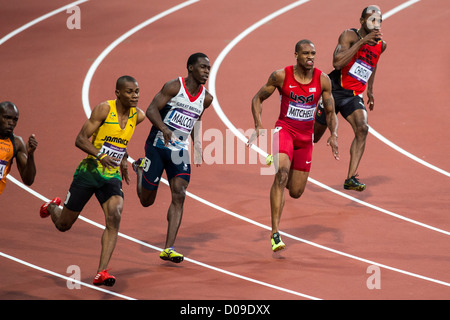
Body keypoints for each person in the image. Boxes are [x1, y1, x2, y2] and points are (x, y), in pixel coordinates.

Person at [39, 75, 145, 286]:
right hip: (89, 171)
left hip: (111, 175)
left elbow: (119, 142)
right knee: (63, 225)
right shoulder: (104, 109)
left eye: (137, 91)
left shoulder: (138, 116)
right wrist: (101, 156)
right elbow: (80, 139)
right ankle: (52, 207)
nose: (135, 96)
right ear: (117, 93)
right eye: (129, 92)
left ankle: (102, 272)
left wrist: (123, 158)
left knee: (114, 215)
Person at [249, 40, 339, 252]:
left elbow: (330, 111)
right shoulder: (281, 76)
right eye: (306, 53)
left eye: (313, 53)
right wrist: (258, 123)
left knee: (296, 192)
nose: (310, 57)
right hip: (285, 131)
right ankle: (275, 233)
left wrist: (333, 134)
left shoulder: (323, 80)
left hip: (305, 140)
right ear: (296, 55)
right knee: (281, 174)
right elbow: (257, 98)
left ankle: (280, 163)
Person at [133, 53, 213, 263]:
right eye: (202, 67)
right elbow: (151, 110)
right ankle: (141, 170)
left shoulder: (206, 98)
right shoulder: (173, 87)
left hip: (179, 151)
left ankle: (168, 248)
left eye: (208, 68)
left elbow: (196, 120)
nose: (206, 71)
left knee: (180, 192)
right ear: (190, 68)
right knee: (146, 201)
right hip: (157, 147)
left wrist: (196, 145)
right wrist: (164, 129)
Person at [314, 5, 387, 191]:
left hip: (353, 95)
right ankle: (284, 151)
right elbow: (337, 63)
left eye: (379, 20)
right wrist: (362, 43)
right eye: (372, 19)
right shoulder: (349, 36)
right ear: (362, 21)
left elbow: (373, 62)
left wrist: (370, 88)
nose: (376, 24)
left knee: (362, 128)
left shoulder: (381, 44)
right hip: (333, 90)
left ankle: (350, 178)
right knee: (313, 137)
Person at [0, 101, 37, 195]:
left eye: (15, 120)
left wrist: (31, 155)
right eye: (7, 118)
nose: (11, 123)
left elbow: (28, 180)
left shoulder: (17, 143)